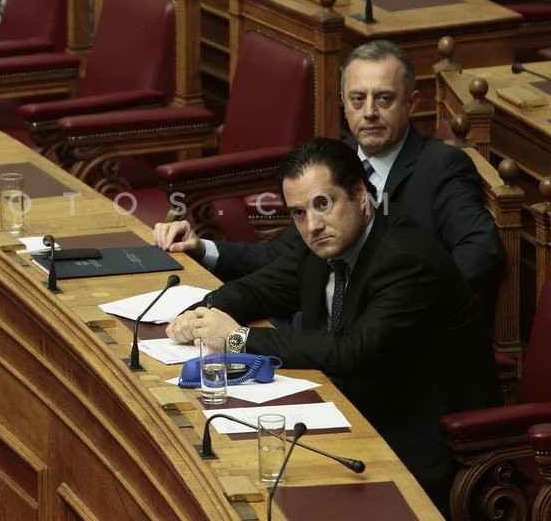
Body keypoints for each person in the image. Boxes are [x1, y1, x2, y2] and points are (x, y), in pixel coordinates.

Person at [167, 137, 501, 516]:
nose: (312, 225)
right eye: (298, 213)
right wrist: (198, 315)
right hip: (348, 409)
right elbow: (258, 289)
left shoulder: (405, 258)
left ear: (359, 193)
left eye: (323, 204)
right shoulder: (324, 243)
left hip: (422, 443)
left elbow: (352, 349)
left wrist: (236, 337)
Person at [153, 39, 504, 292]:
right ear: (343, 104)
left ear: (411, 103)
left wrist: (414, 297)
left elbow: (482, 250)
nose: (369, 112)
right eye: (358, 99)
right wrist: (203, 248)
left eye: (384, 99)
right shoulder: (335, 161)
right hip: (319, 322)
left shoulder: (440, 165)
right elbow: (284, 253)